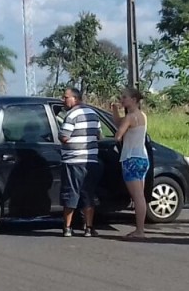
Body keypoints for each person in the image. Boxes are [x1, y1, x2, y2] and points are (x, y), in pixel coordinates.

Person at [59, 88, 104, 238]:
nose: (63, 100)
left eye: (66, 98)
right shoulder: (93, 114)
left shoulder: (71, 115)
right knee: (88, 194)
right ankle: (89, 228)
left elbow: (64, 137)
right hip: (91, 160)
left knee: (71, 193)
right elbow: (99, 135)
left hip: (73, 160)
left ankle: (67, 228)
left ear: (75, 99)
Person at [112, 88, 149, 239]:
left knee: (138, 196)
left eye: (125, 97)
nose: (122, 100)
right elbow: (119, 121)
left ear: (134, 100)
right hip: (142, 157)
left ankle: (140, 230)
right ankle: (140, 228)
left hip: (131, 158)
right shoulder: (142, 115)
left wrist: (119, 135)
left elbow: (118, 135)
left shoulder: (130, 117)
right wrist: (115, 110)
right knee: (140, 195)